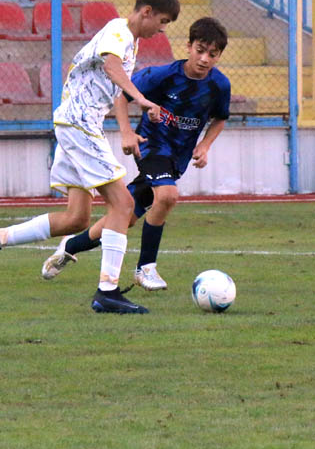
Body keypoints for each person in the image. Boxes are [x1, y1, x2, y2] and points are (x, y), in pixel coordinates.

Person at [0, 0, 180, 314]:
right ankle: (107, 292)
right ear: (147, 12)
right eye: (163, 22)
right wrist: (140, 98)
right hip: (79, 124)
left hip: (77, 123)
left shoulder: (131, 40)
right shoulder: (119, 32)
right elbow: (110, 65)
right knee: (123, 204)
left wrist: (125, 129)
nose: (162, 30)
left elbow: (110, 81)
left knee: (75, 217)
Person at [41, 17, 233, 291]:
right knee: (167, 196)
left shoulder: (219, 85)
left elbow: (220, 118)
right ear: (188, 46)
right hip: (152, 146)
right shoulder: (163, 76)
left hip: (177, 158)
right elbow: (121, 94)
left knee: (125, 216)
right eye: (200, 50)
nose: (204, 59)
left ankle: (70, 246)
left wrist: (204, 145)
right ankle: (146, 267)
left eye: (212, 54)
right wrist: (126, 131)